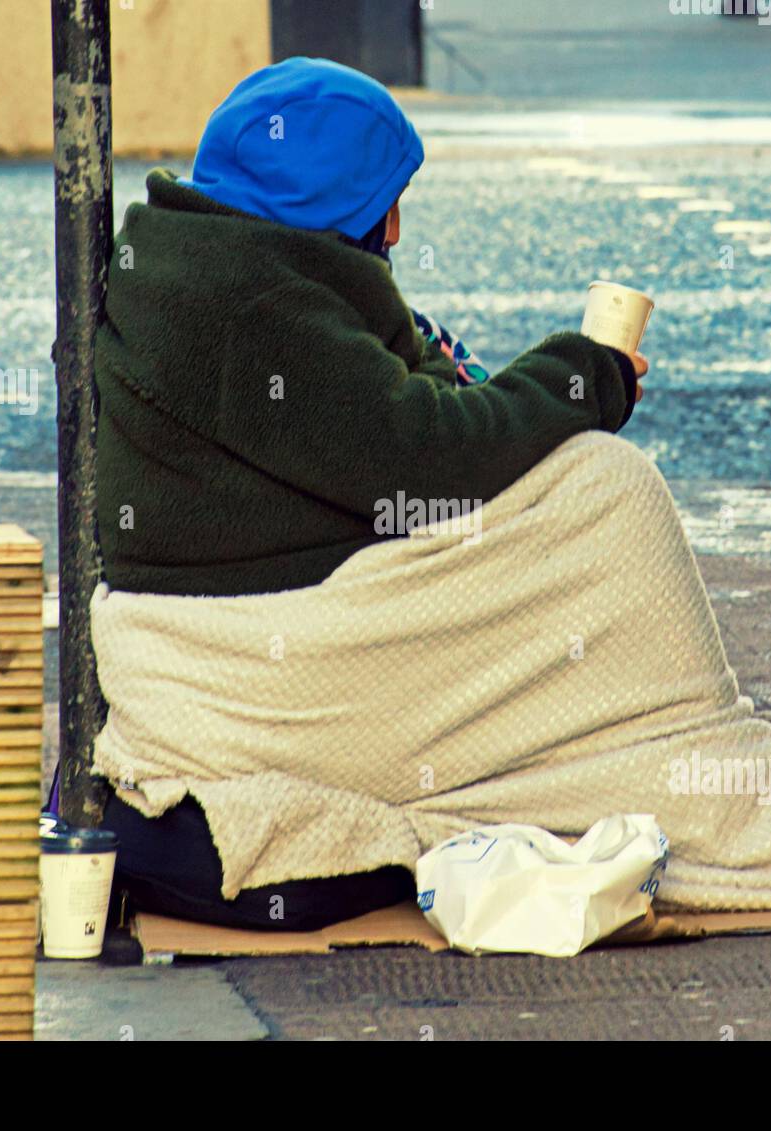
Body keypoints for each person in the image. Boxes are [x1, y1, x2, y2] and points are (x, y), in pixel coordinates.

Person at [89, 57, 647, 930]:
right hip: (252, 642)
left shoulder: (213, 263)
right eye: (383, 200)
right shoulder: (256, 308)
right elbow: (425, 455)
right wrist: (588, 376)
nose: (395, 224)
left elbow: (403, 412)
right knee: (612, 493)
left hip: (267, 589)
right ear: (329, 210)